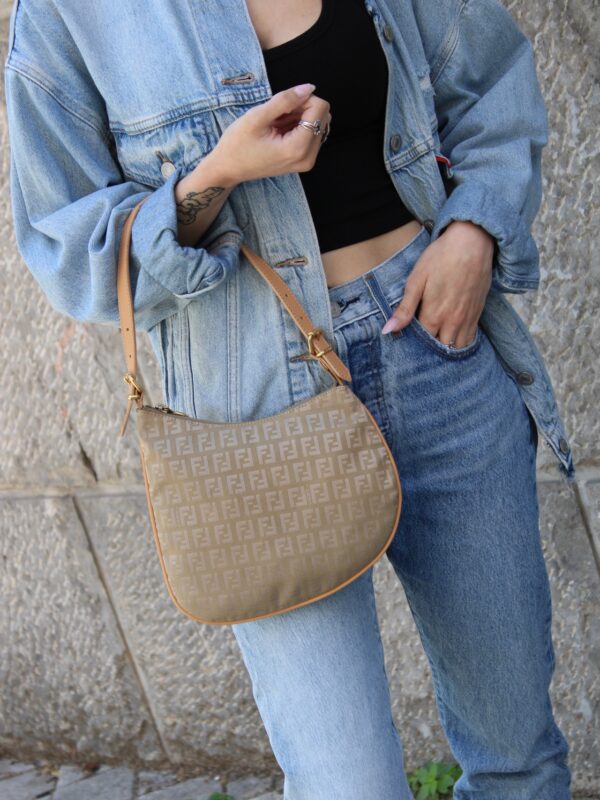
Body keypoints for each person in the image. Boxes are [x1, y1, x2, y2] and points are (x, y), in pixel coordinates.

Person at [4, 0, 575, 797]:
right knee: (346, 784)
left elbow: (492, 83)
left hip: (435, 347)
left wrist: (474, 232)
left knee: (518, 757)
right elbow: (73, 255)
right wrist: (213, 178)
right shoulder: (71, 15)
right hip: (252, 413)